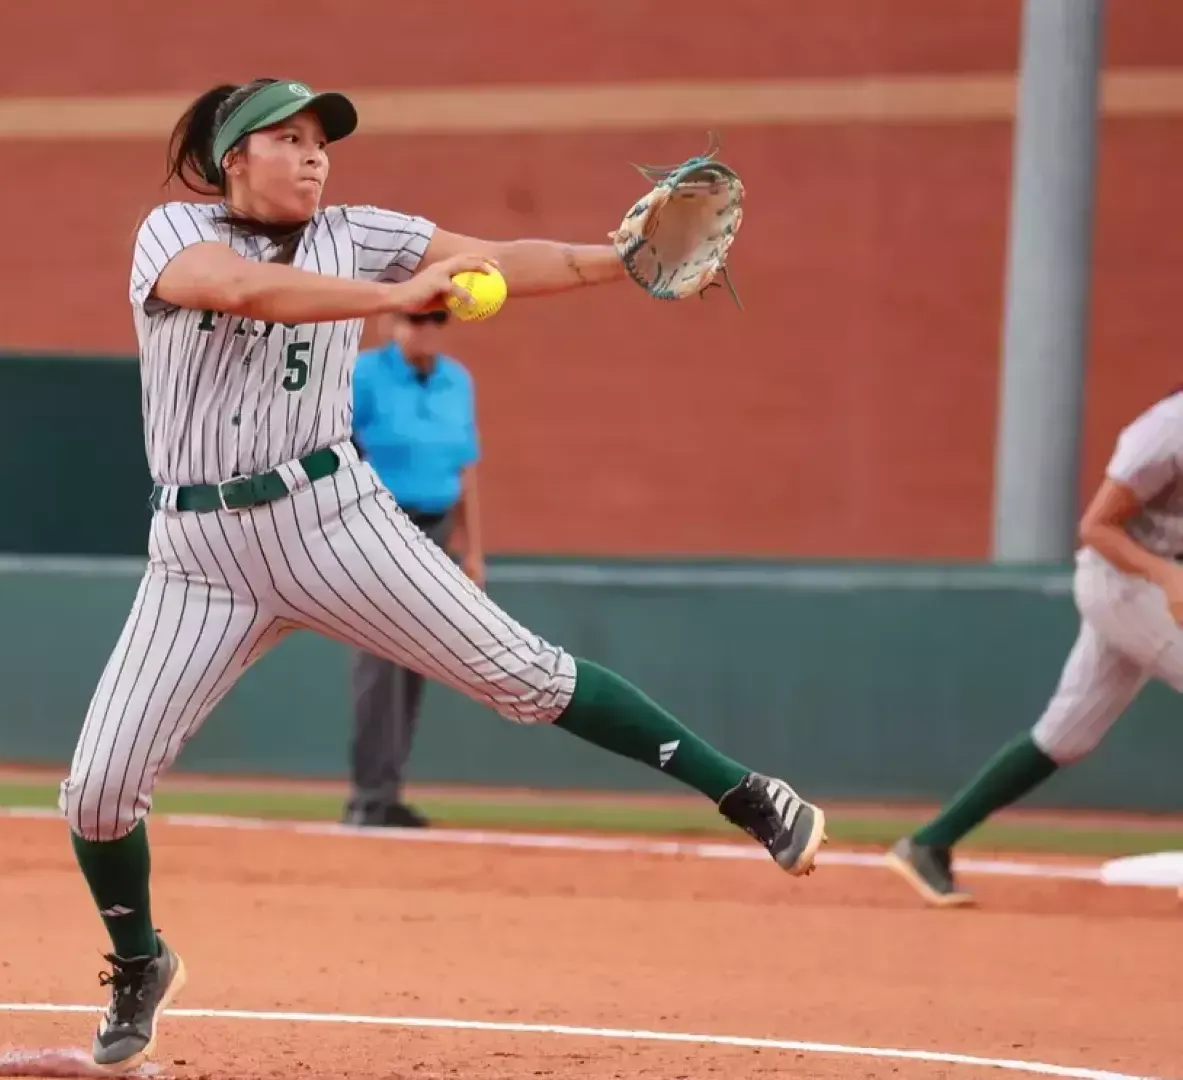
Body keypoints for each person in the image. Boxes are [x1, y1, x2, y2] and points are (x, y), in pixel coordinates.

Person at [59, 77, 829, 1072]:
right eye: (284, 139)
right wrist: (396, 299)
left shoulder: (357, 231)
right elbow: (243, 292)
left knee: (526, 675)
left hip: (328, 517)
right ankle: (138, 961)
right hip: (197, 555)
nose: (311, 156)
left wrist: (612, 260)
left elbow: (497, 257)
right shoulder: (171, 232)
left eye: (319, 140)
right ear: (229, 159)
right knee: (97, 794)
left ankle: (747, 795)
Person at [887, 386, 1183, 908]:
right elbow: (1095, 526)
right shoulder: (1165, 430)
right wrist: (1166, 576)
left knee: (1066, 736)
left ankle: (929, 843)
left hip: (1149, 587)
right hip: (1120, 582)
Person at [341, 308, 484, 828]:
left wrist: (472, 550)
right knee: (380, 660)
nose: (425, 327)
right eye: (415, 317)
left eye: (436, 319)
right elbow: (334, 446)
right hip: (382, 524)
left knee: (416, 661)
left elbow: (465, 467)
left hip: (437, 528)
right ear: (391, 323)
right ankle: (367, 797)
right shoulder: (365, 374)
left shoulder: (455, 380)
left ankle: (387, 790)